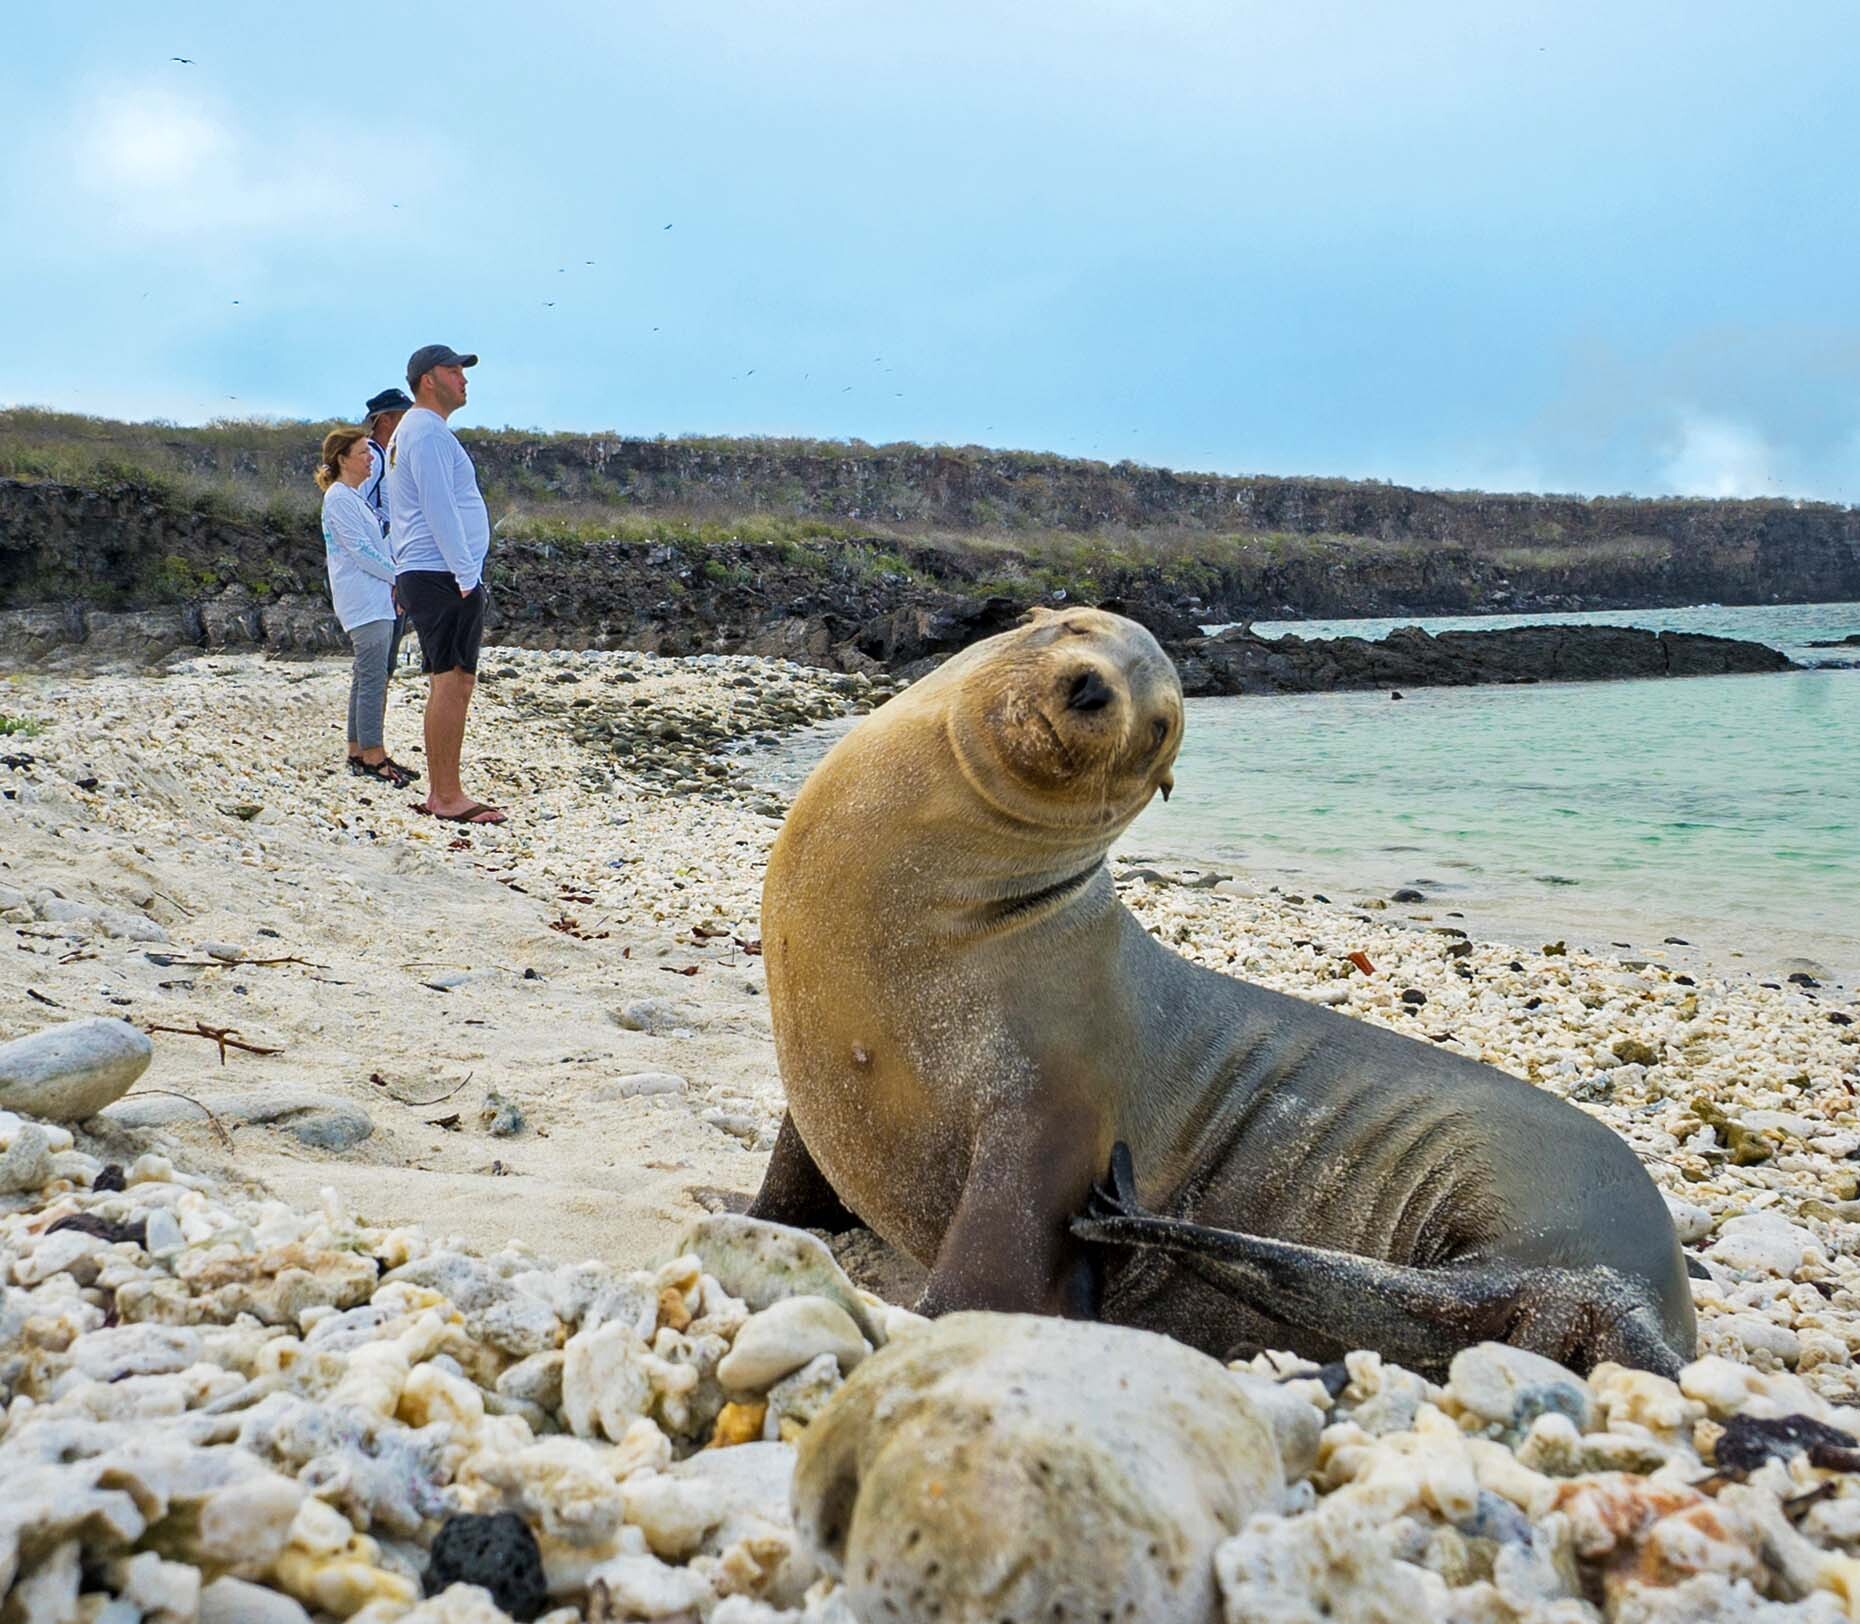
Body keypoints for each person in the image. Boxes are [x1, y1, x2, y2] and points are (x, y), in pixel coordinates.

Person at [386, 343, 507, 825]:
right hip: (442, 573)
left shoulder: (411, 432)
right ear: (428, 379)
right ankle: (447, 795)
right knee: (454, 680)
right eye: (453, 370)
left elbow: (405, 509)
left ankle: (442, 791)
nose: (463, 378)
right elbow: (439, 507)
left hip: (427, 570)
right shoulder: (427, 432)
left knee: (447, 678)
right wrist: (465, 573)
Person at [315, 427, 418, 787]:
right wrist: (400, 578)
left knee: (366, 675)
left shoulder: (353, 497)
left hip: (374, 598)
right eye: (362, 452)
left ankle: (358, 749)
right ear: (343, 459)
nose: (371, 457)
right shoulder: (339, 498)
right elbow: (361, 551)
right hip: (363, 600)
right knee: (373, 677)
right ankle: (374, 756)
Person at [361, 387, 414, 671]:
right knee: (380, 656)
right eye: (404, 417)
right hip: (383, 566)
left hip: (390, 563)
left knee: (385, 653)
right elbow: (358, 510)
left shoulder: (387, 456)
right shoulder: (372, 457)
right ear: (385, 421)